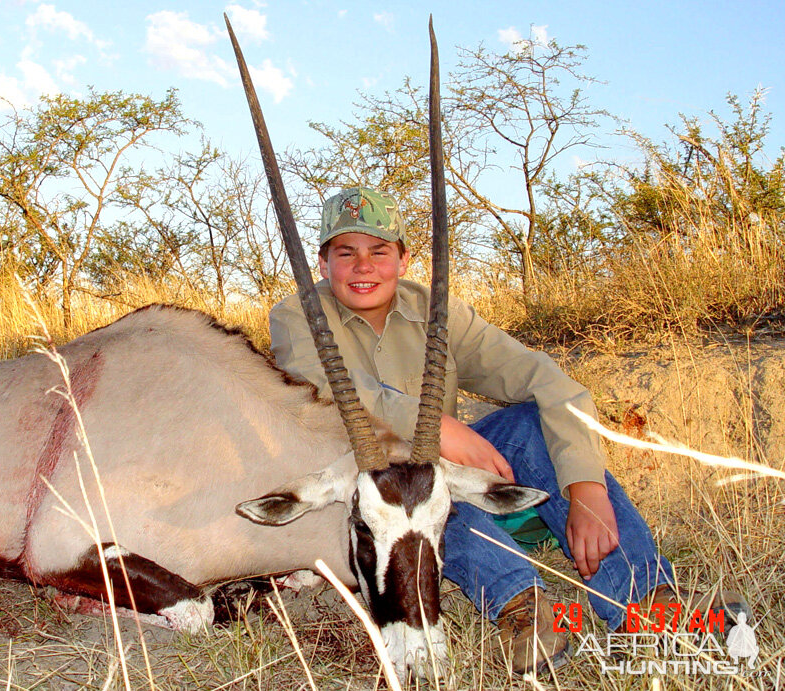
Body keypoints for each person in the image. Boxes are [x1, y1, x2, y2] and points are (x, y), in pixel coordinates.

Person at [269, 186, 749, 673]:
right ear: (324, 263)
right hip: (374, 490)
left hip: (450, 468)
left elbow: (545, 380)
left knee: (525, 422)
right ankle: (523, 606)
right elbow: (324, 390)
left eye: (379, 251)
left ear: (405, 258)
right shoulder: (296, 315)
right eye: (345, 253)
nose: (363, 267)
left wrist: (585, 488)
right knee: (420, 494)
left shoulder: (438, 310)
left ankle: (645, 601)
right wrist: (435, 427)